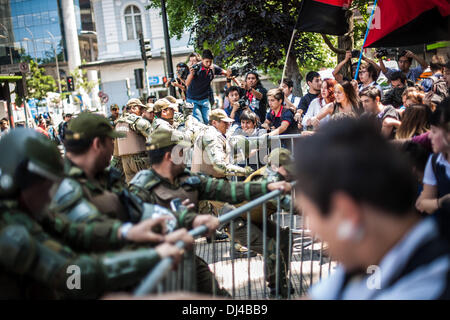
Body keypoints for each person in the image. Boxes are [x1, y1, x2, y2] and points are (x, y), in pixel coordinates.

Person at [0, 128, 190, 299]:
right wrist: (153, 256)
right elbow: (74, 274)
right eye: (44, 187)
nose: (48, 196)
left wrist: (126, 233)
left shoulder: (27, 212)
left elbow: (73, 231)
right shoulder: (11, 231)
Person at [294, 118, 450, 300]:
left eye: (310, 215)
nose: (309, 230)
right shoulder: (367, 262)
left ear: (347, 213)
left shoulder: (429, 285)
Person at [191, 109, 252, 178]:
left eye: (228, 123)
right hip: (206, 182)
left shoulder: (215, 133)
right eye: (225, 122)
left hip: (210, 180)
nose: (228, 125)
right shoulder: (212, 136)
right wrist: (245, 171)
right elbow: (220, 166)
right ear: (214, 123)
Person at [185, 49, 230, 124]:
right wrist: (191, 74)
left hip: (204, 99)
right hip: (193, 99)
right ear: (202, 60)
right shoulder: (196, 68)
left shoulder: (213, 68)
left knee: (208, 121)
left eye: (210, 62)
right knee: (199, 121)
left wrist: (232, 77)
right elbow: (187, 83)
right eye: (206, 61)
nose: (209, 64)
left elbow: (226, 73)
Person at [114, 98, 152, 183]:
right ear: (133, 108)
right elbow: (153, 136)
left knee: (133, 188)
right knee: (147, 185)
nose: (142, 111)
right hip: (140, 159)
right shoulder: (136, 121)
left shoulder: (118, 123)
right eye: (141, 108)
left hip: (125, 162)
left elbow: (116, 151)